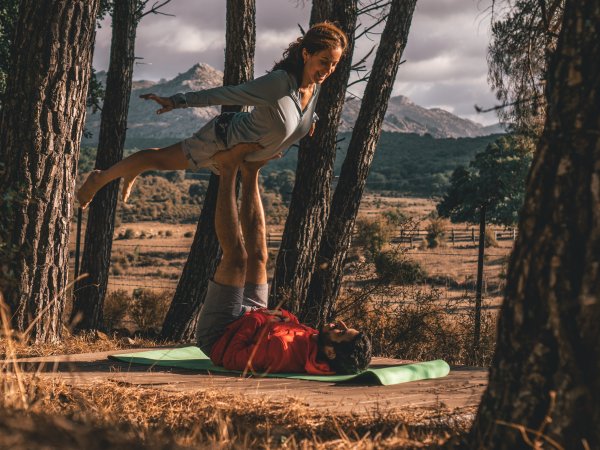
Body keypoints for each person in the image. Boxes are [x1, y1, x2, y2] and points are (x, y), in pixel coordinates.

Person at [77, 21, 348, 209]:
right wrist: (177, 100)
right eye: (324, 61)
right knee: (156, 158)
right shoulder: (278, 84)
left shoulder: (314, 86)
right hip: (222, 139)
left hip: (239, 156)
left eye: (334, 64)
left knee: (157, 160)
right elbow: (226, 94)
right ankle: (100, 178)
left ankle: (131, 170)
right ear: (305, 54)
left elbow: (300, 111)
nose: (328, 69)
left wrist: (310, 120)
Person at [199, 149, 372, 375]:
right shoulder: (315, 341)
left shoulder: (281, 353)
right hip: (255, 317)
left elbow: (229, 356)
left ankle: (228, 169)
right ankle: (251, 171)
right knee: (260, 257)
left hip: (222, 332)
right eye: (345, 327)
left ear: (331, 352)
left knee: (237, 260)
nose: (338, 324)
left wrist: (261, 318)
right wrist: (280, 316)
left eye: (340, 333)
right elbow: (287, 325)